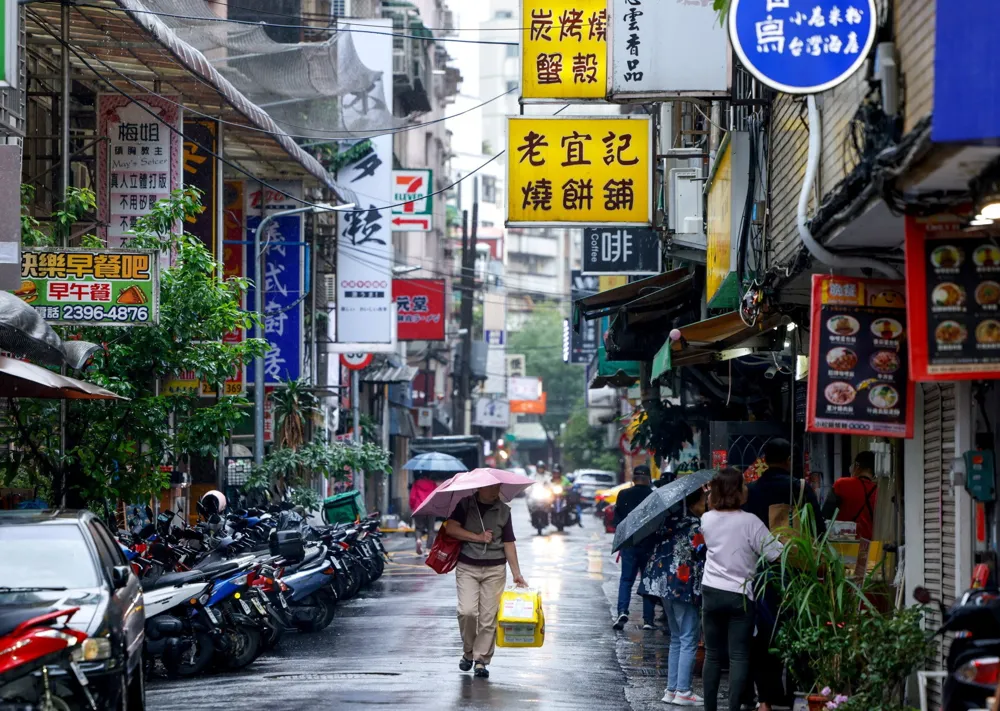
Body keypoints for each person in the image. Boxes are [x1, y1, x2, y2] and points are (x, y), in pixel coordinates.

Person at [743, 439, 824, 711]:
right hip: (797, 571)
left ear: (764, 459)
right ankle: (796, 693)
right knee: (797, 630)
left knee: (765, 633)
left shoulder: (751, 491)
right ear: (789, 459)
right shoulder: (800, 488)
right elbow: (819, 531)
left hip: (761, 573)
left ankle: (767, 695)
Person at [701, 468, 782, 711]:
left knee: (712, 655)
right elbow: (776, 554)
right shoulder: (750, 522)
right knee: (738, 656)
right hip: (740, 595)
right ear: (736, 491)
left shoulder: (707, 519)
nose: (747, 489)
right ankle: (734, 708)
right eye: (743, 485)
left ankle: (709, 708)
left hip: (711, 592)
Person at [445, 484, 528, 679]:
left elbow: (508, 543)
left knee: (488, 618)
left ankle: (481, 660)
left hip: (495, 569)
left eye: (498, 487)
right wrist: (477, 537)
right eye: (491, 487)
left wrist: (516, 573)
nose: (495, 491)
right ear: (481, 488)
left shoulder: (504, 511)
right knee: (466, 612)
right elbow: (451, 529)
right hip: (467, 566)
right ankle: (468, 651)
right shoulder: (465, 505)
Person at [643, 487, 708, 707]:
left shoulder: (667, 522)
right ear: (694, 502)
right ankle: (683, 691)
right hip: (683, 586)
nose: (706, 503)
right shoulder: (694, 525)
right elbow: (702, 552)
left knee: (677, 637)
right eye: (704, 499)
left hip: (663, 586)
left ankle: (671, 690)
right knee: (689, 637)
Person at [612, 465, 656, 630]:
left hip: (629, 543)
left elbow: (617, 521)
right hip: (648, 544)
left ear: (633, 478)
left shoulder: (623, 494)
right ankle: (648, 620)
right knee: (647, 581)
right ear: (649, 479)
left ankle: (622, 611)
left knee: (626, 580)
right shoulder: (654, 497)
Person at [822, 451, 878, 540]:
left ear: (857, 466)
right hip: (868, 544)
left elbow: (826, 514)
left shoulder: (841, 484)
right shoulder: (878, 492)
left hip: (841, 542)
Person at [409, 473, 438, 555]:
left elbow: (412, 497)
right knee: (431, 529)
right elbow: (436, 496)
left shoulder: (416, 484)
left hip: (419, 508)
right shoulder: (433, 484)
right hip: (431, 508)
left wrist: (412, 507)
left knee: (418, 528)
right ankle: (428, 549)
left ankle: (418, 540)